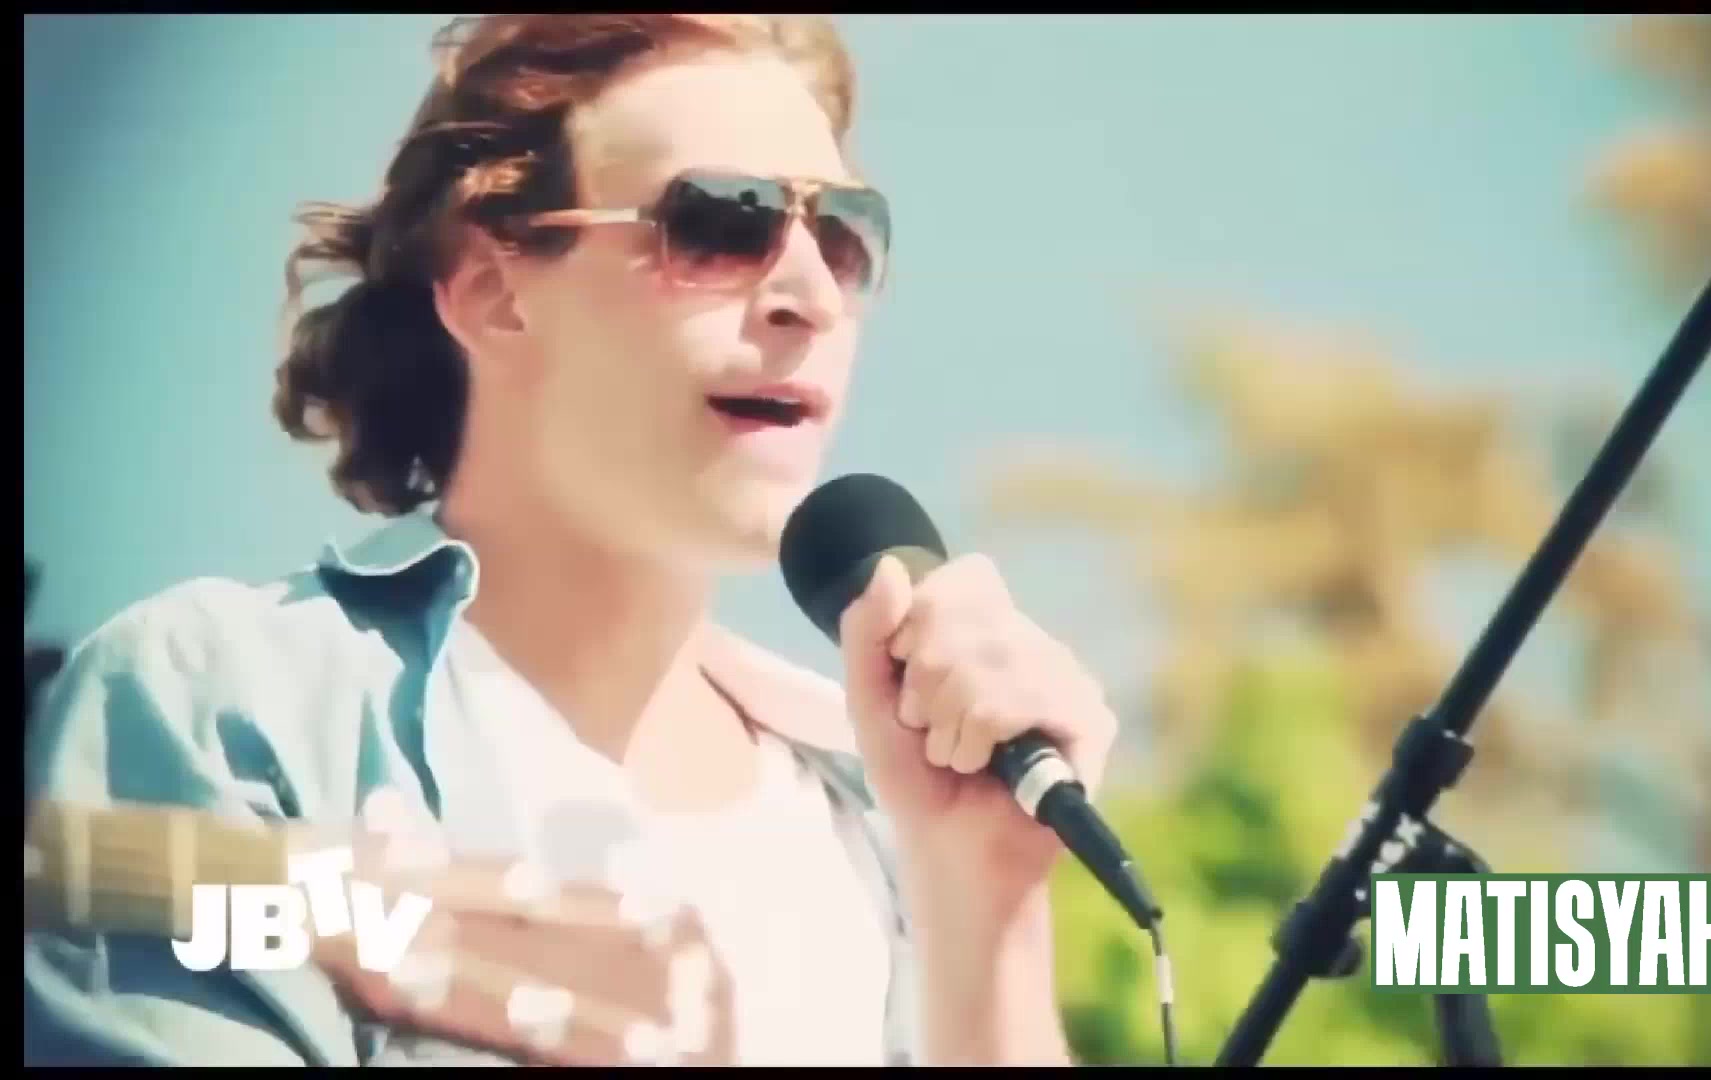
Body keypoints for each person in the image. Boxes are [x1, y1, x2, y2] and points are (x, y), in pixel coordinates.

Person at [23, 14, 1119, 1067]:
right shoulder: (228, 705)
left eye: (841, 236)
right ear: (494, 292)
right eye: (723, 222)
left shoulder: (877, 810)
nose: (810, 295)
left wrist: (991, 912)